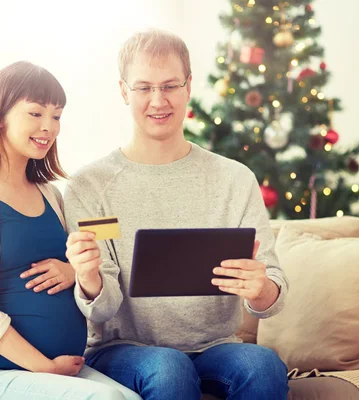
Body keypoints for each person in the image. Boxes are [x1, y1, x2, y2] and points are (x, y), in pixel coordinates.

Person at [62, 29, 290, 400]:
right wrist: (88, 278)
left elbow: (272, 297)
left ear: (188, 87)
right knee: (169, 369)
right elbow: (102, 312)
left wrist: (261, 288)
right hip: (123, 351)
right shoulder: (89, 186)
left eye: (170, 86)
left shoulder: (233, 179)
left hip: (216, 346)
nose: (158, 100)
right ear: (124, 91)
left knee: (263, 365)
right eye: (144, 88)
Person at [0, 61, 141, 400]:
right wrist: (43, 366)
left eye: (56, 116)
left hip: (60, 370)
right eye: (36, 114)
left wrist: (74, 271)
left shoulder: (50, 194)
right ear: (0, 117)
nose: (49, 127)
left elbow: (80, 270)